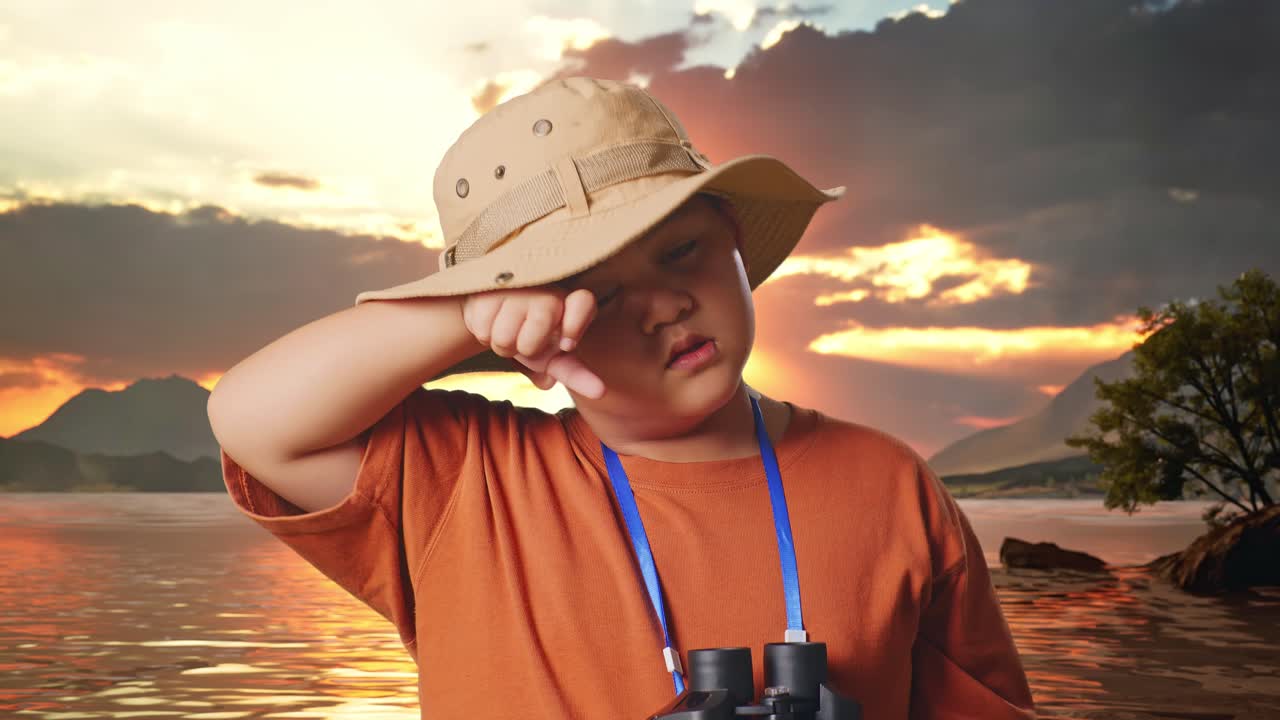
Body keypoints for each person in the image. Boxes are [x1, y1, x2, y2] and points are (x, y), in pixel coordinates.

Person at [207, 76, 1037, 719]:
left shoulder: (887, 483)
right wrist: (463, 315)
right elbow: (250, 422)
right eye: (596, 295)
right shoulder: (461, 479)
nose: (665, 305)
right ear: (532, 340)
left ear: (735, 240)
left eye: (681, 252)